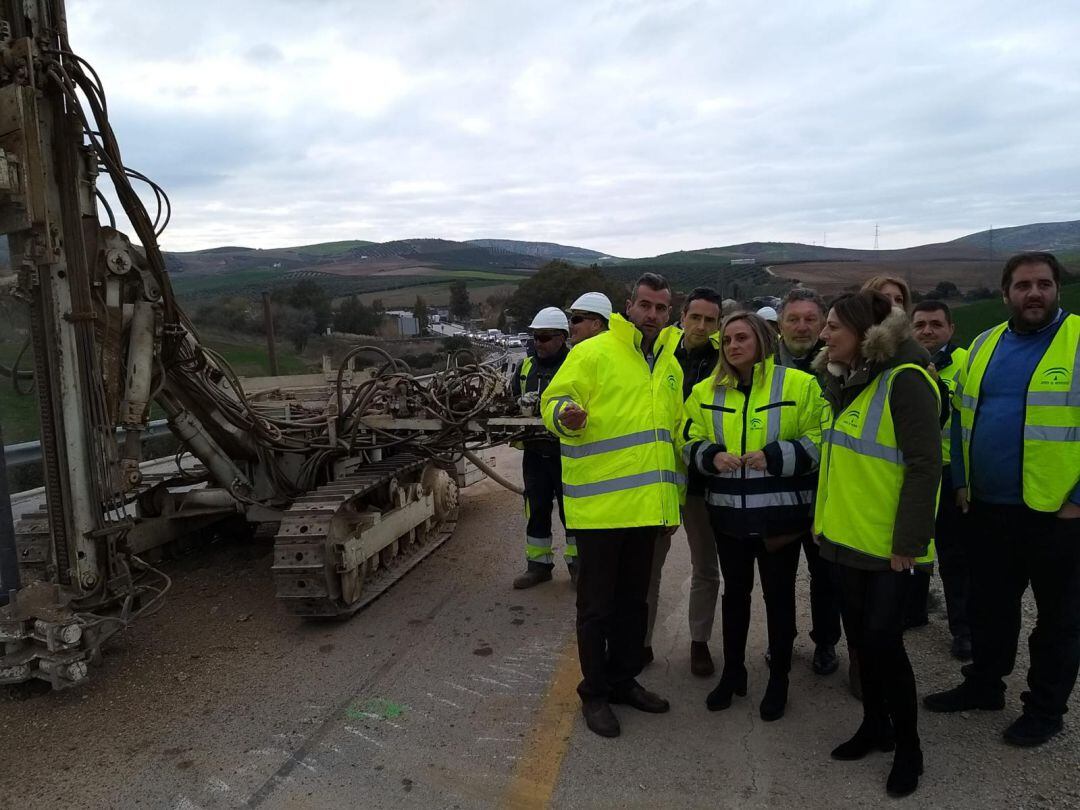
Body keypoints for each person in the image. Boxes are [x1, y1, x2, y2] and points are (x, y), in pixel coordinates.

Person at [924, 252, 1080, 748]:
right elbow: (964, 419)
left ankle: (1045, 709)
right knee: (991, 607)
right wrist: (964, 481)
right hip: (989, 507)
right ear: (1006, 291)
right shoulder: (987, 344)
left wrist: (1078, 498)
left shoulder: (1078, 341)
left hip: (1058, 512)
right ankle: (985, 685)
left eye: (1043, 284)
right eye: (1022, 285)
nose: (1033, 293)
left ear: (1058, 288)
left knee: (1058, 619)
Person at [541, 272, 684, 738]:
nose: (652, 315)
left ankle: (624, 682)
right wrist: (567, 416)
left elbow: (671, 439)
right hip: (602, 512)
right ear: (629, 306)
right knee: (596, 609)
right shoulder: (593, 352)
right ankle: (595, 694)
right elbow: (555, 400)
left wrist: (671, 507)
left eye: (661, 309)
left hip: (647, 511)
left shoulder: (669, 368)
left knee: (633, 607)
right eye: (645, 306)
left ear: (670, 313)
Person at [814, 291, 941, 798]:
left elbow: (925, 465)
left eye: (833, 328)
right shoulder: (849, 383)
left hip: (890, 549)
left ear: (866, 335)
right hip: (847, 539)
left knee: (886, 647)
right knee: (863, 644)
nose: (825, 336)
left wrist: (909, 541)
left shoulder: (906, 381)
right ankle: (875, 727)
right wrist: (822, 523)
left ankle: (909, 748)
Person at [681, 312, 825, 722]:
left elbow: (821, 437)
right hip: (728, 517)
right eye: (726, 340)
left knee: (778, 599)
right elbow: (686, 435)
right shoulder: (709, 390)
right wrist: (710, 455)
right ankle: (733, 673)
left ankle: (779, 679)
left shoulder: (799, 385)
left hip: (781, 519)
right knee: (736, 597)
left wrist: (776, 456)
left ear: (763, 339)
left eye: (741, 338)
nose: (733, 346)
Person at [644, 287, 722, 676]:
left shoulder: (726, 360)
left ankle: (699, 642)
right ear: (682, 317)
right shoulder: (660, 353)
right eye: (696, 317)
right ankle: (640, 644)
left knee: (706, 566)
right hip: (662, 476)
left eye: (710, 320)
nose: (702, 326)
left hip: (704, 481)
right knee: (649, 567)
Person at [775, 288, 842, 677]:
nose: (802, 327)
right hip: (778, 490)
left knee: (826, 575)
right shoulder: (763, 366)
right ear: (780, 324)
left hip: (826, 488)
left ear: (821, 325)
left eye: (810, 319)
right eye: (793, 319)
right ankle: (779, 642)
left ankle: (826, 643)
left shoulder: (839, 365)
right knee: (778, 576)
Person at [910, 300, 970, 658]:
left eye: (936, 324)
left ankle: (963, 628)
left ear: (951, 328)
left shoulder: (967, 364)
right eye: (920, 325)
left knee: (955, 555)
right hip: (916, 472)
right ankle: (915, 611)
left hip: (951, 474)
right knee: (914, 546)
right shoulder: (903, 364)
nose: (928, 331)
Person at [510, 307, 576, 589]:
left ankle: (579, 567)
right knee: (535, 508)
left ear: (562, 338)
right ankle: (538, 565)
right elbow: (511, 401)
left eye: (545, 337)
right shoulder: (525, 367)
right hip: (535, 452)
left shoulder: (576, 365)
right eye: (535, 337)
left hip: (568, 453)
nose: (538, 343)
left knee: (571, 512)